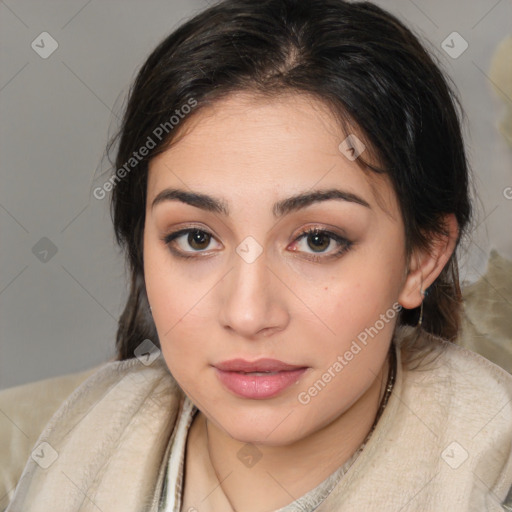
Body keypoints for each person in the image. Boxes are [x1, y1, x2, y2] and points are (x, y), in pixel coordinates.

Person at [2, 0, 512, 510]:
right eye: (196, 239)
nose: (247, 314)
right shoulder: (34, 458)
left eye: (317, 240)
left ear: (422, 256)